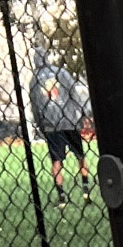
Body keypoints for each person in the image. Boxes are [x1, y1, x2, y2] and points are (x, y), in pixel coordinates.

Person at [29, 48, 91, 202]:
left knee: (56, 161)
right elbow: (73, 92)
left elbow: (34, 105)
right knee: (80, 155)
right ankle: (86, 189)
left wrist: (40, 125)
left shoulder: (34, 79)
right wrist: (82, 113)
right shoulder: (61, 72)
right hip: (68, 120)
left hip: (51, 125)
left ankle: (62, 196)